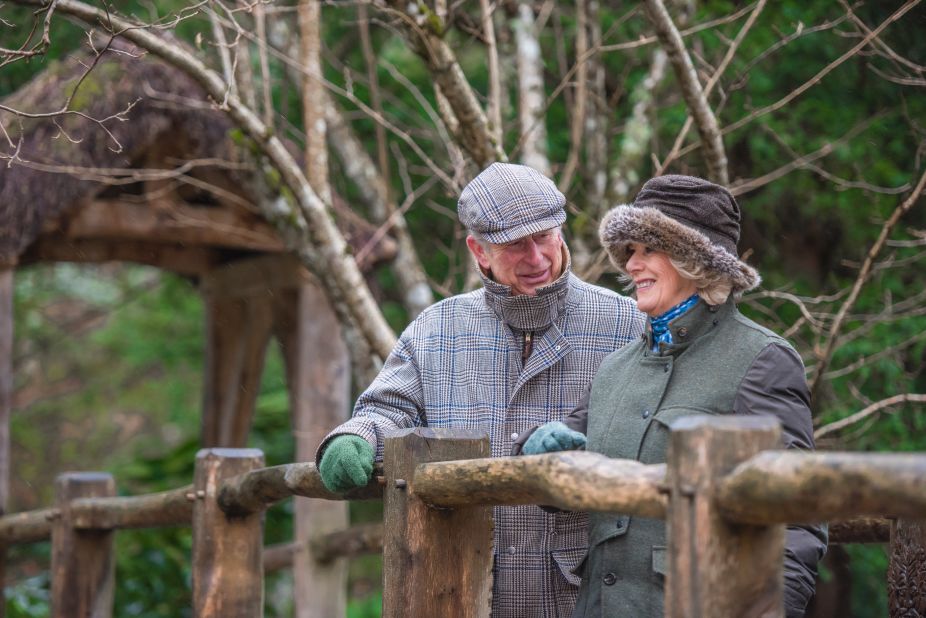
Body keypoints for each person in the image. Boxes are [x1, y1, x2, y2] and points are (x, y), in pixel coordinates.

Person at [315, 162, 645, 617]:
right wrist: (356, 437)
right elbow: (389, 407)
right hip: (456, 587)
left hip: (582, 591)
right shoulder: (436, 328)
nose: (537, 259)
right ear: (479, 250)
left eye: (545, 236)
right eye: (514, 245)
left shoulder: (626, 323)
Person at [515, 175, 827, 617]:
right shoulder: (614, 368)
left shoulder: (763, 360)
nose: (632, 265)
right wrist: (533, 448)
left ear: (694, 259)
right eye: (630, 252)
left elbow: (798, 517)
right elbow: (561, 468)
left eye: (648, 250)